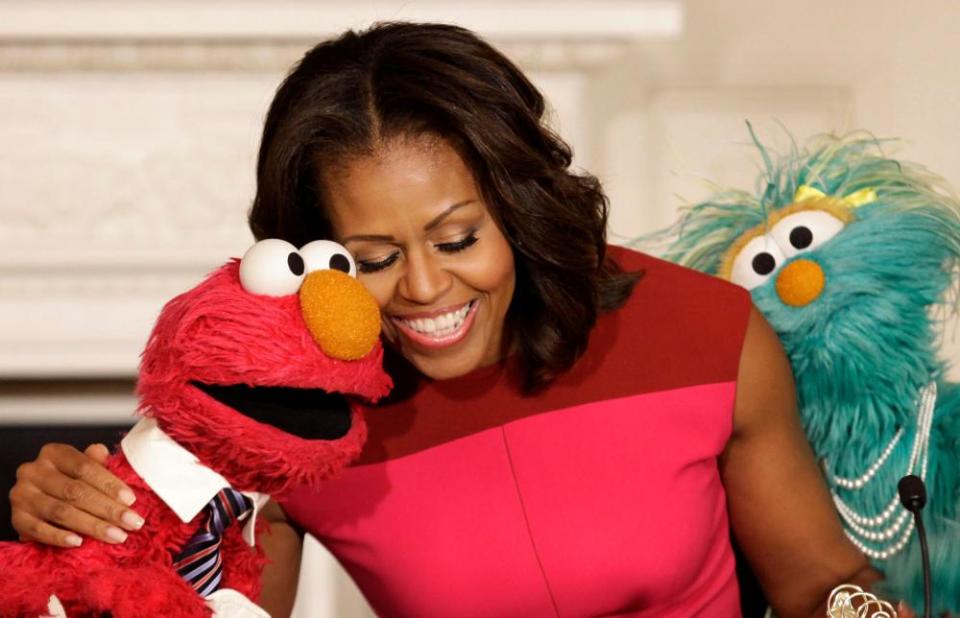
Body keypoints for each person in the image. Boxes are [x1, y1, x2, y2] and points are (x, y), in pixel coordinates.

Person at [8, 22, 884, 617]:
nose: (425, 288)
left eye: (458, 236)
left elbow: (819, 589)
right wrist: (78, 516)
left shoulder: (703, 334)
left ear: (519, 205)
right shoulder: (289, 422)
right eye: (374, 259)